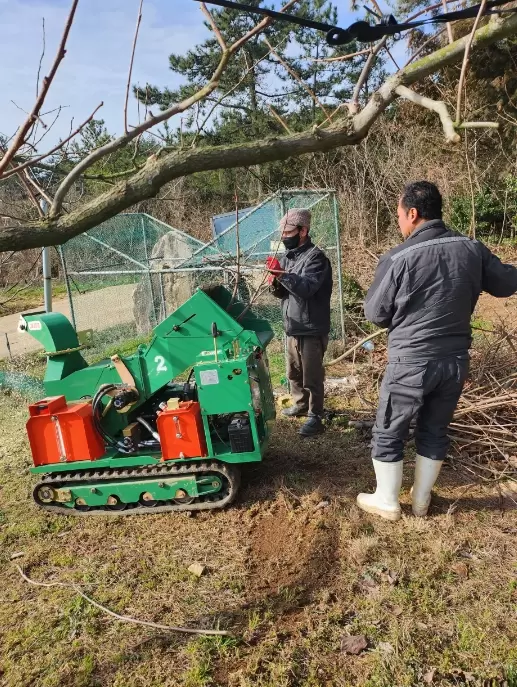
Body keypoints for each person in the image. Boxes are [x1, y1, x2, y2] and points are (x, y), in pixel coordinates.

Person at [358, 181, 517, 521]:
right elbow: (506, 283)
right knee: (434, 429)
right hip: (454, 362)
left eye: (399, 215)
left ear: (413, 214)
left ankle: (387, 500)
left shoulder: (399, 257)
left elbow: (375, 314)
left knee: (390, 429)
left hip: (410, 361)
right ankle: (421, 500)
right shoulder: (472, 249)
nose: (399, 222)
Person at [269, 208, 333, 437]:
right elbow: (281, 294)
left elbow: (306, 289)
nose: (284, 237)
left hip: (311, 327)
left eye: (288, 232)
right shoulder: (289, 257)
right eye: (282, 233)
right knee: (293, 372)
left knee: (312, 376)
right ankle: (301, 404)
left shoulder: (316, 258)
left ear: (303, 230)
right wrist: (274, 281)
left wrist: (282, 275)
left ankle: (316, 416)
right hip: (293, 326)